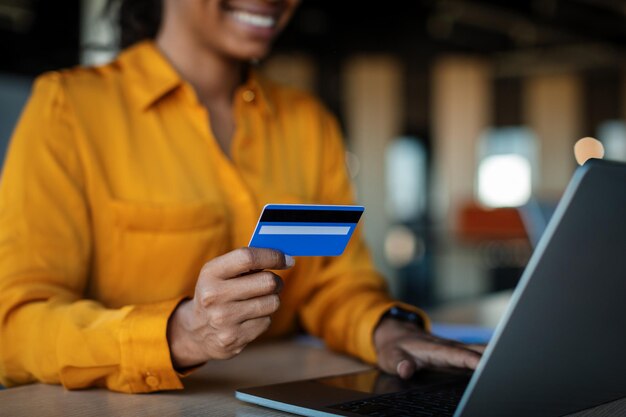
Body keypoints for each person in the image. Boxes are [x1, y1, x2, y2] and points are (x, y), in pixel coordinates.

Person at [0, 0, 482, 393]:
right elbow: (14, 326)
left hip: (283, 399)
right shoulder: (69, 109)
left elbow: (333, 285)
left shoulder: (308, 123)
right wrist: (176, 334)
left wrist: (386, 330)